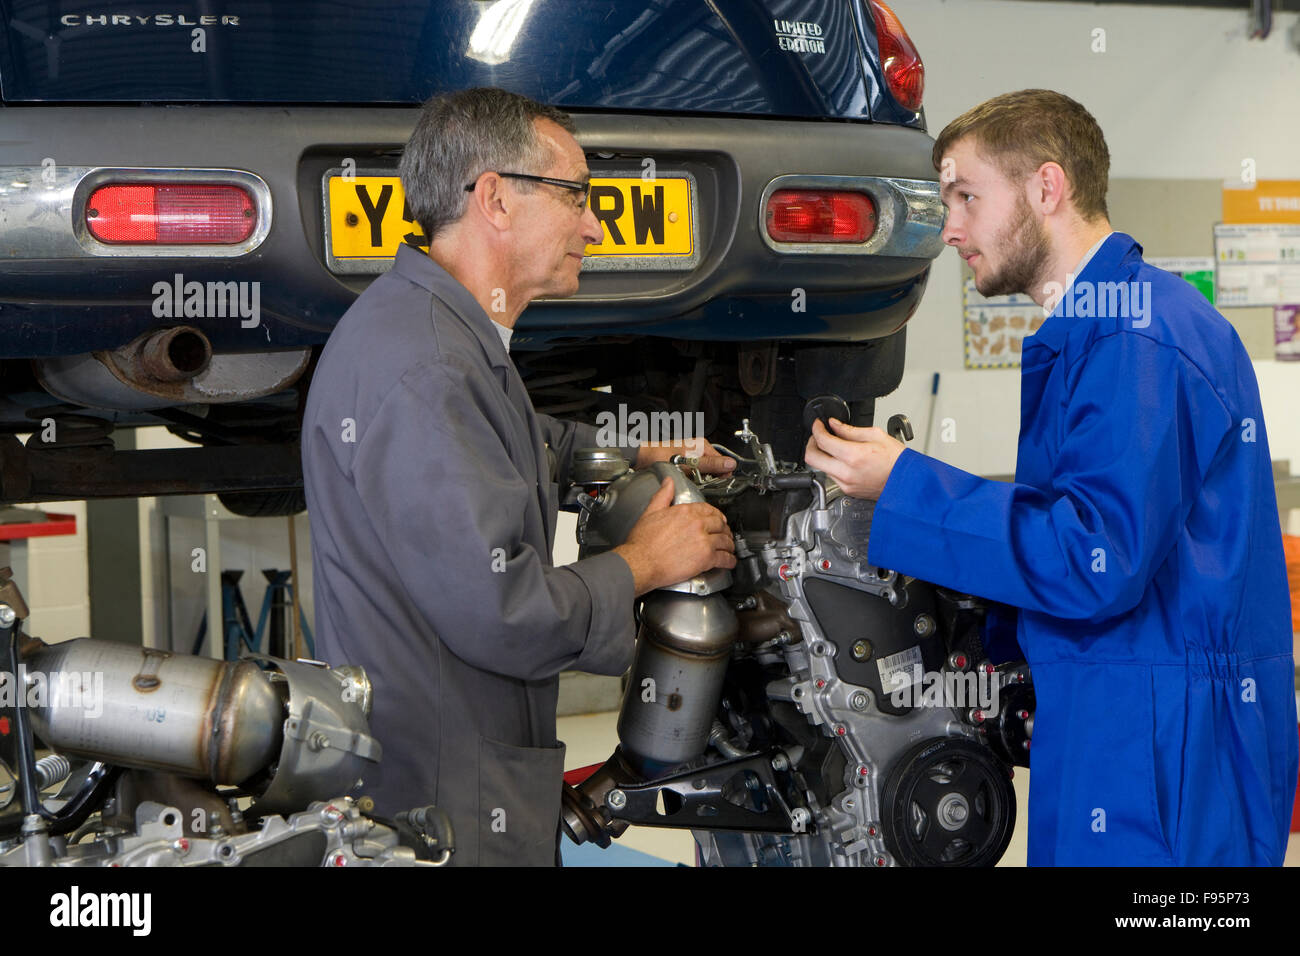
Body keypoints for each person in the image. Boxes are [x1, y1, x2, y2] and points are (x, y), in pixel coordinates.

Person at [805, 89, 1298, 866]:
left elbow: (1090, 558)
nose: (951, 229)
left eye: (967, 196)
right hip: (1115, 718)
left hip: (1164, 749)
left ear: (1046, 186)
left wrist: (907, 485)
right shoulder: (1100, 332)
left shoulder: (1141, 338)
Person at [301, 88, 737, 866]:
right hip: (442, 807)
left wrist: (635, 453)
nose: (594, 226)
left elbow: (509, 436)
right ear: (496, 198)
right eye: (576, 196)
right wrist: (644, 564)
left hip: (439, 766)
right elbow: (503, 610)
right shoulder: (429, 364)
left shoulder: (432, 328)